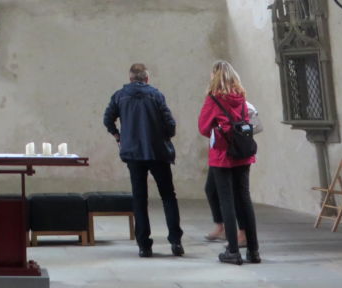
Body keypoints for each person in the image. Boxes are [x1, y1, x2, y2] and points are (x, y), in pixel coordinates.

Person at [103, 63, 184, 258]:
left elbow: (107, 119)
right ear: (147, 78)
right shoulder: (156, 95)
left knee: (139, 199)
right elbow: (170, 124)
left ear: (130, 78)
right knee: (168, 196)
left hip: (133, 154)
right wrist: (164, 136)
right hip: (158, 153)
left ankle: (144, 246)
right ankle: (175, 242)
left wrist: (118, 136)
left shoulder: (120, 95)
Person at [198, 61, 261, 265]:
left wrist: (217, 131)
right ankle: (254, 250)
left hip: (222, 155)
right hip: (242, 153)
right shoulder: (241, 97)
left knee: (227, 200)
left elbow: (203, 127)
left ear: (214, 77)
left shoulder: (213, 99)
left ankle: (233, 251)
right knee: (244, 199)